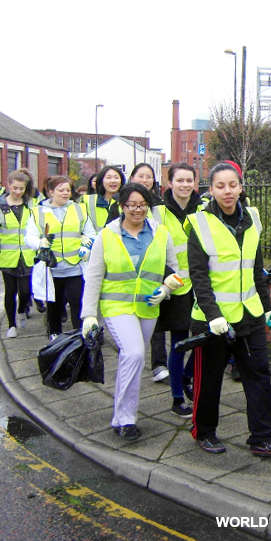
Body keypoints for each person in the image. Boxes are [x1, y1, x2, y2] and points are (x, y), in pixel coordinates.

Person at [187, 161, 271, 457]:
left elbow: (257, 270)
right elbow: (199, 277)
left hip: (250, 316)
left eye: (232, 185)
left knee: (259, 376)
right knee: (209, 381)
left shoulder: (253, 218)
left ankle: (263, 437)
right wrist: (213, 315)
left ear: (241, 187)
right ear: (211, 190)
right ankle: (204, 432)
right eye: (220, 186)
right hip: (213, 321)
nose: (227, 191)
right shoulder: (199, 223)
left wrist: (267, 307)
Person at [80, 183, 182, 441]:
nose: (137, 210)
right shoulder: (107, 235)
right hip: (116, 306)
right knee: (135, 354)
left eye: (142, 205)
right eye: (132, 205)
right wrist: (89, 314)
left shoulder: (161, 233)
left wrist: (165, 289)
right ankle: (126, 419)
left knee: (132, 360)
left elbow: (174, 269)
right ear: (122, 206)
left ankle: (120, 415)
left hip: (149, 307)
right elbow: (94, 275)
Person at [150, 162, 202, 415]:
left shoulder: (204, 209)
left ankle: (186, 376)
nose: (185, 185)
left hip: (202, 285)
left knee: (206, 338)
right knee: (179, 343)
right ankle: (177, 397)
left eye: (189, 180)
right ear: (170, 183)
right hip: (175, 286)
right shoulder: (157, 212)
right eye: (179, 180)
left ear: (195, 183)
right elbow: (153, 251)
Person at [111, 162, 169, 383]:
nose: (145, 180)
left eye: (149, 177)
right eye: (141, 176)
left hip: (152, 275)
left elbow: (163, 240)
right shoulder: (118, 209)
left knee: (155, 324)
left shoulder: (158, 206)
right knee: (132, 347)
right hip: (122, 288)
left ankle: (158, 363)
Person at [25, 176, 97, 339]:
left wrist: (86, 246)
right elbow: (29, 238)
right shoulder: (38, 212)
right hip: (51, 268)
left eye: (68, 190)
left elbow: (91, 234)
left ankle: (80, 335)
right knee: (54, 304)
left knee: (78, 303)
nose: (66, 193)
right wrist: (39, 243)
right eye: (61, 190)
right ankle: (54, 333)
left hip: (75, 267)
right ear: (50, 192)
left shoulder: (80, 209)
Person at [0, 170, 36, 338]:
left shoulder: (31, 204)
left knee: (25, 292)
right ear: (8, 185)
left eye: (21, 188)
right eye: (14, 188)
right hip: (7, 257)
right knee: (11, 291)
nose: (17, 191)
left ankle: (22, 310)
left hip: (27, 255)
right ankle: (11, 325)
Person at [83, 165, 124, 230]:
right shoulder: (87, 200)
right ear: (101, 180)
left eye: (116, 177)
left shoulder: (127, 201)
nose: (113, 181)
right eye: (108, 177)